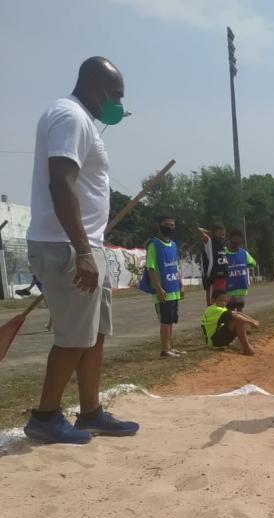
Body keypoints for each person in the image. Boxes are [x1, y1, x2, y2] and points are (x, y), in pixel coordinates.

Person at [23, 57, 138, 444]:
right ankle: (45, 417)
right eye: (116, 95)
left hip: (89, 244)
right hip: (69, 248)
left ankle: (90, 412)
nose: (119, 104)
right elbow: (61, 183)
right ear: (94, 84)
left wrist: (93, 248)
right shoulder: (69, 116)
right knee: (74, 337)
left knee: (94, 334)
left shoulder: (84, 122)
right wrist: (83, 252)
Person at [142, 214, 184, 358]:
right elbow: (151, 268)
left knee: (171, 319)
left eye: (172, 225)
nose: (170, 228)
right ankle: (165, 350)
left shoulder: (173, 245)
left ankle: (170, 347)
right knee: (165, 320)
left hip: (174, 289)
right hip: (163, 290)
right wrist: (159, 288)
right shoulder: (154, 244)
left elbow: (176, 266)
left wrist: (181, 285)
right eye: (167, 225)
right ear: (160, 225)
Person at [202, 290, 260, 356]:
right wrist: (252, 323)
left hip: (213, 339)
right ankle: (247, 349)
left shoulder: (215, 308)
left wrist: (253, 320)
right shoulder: (216, 309)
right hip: (214, 342)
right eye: (221, 300)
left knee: (238, 319)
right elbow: (237, 316)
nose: (223, 303)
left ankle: (246, 346)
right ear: (213, 300)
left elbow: (238, 313)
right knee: (238, 321)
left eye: (225, 301)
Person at [225, 229, 256, 311]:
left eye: (238, 241)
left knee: (240, 312)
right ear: (230, 240)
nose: (236, 243)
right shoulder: (223, 252)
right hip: (228, 289)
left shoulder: (244, 253)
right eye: (234, 241)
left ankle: (239, 324)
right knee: (230, 313)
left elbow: (253, 263)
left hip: (241, 289)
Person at [199, 223, 228, 305]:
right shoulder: (209, 242)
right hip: (213, 279)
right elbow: (198, 230)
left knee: (222, 303)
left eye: (223, 234)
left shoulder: (222, 245)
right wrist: (209, 232)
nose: (222, 237)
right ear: (214, 234)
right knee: (212, 303)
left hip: (222, 278)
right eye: (219, 234)